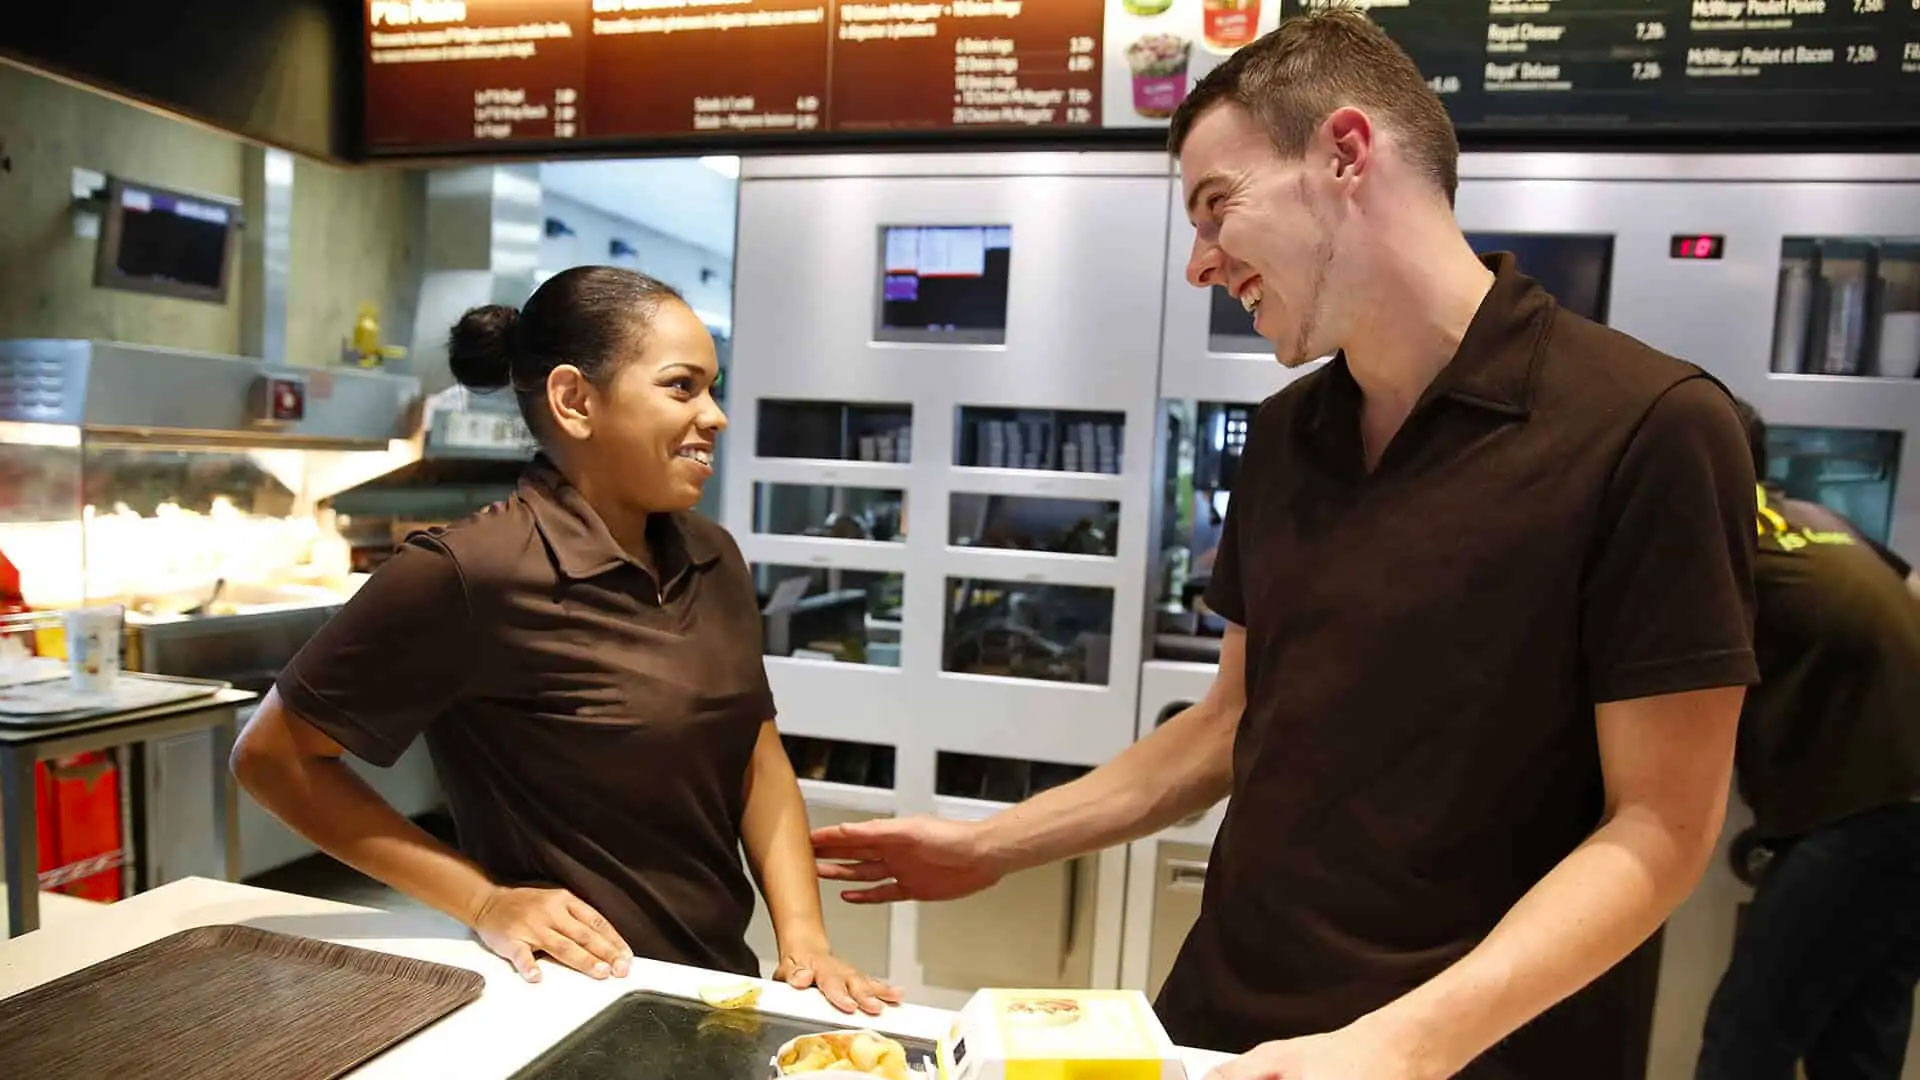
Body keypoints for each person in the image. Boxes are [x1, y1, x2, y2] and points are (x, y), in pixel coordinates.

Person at [813, 11, 1758, 1078]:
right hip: (1228, 1019)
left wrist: (1400, 1046)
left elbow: (1660, 827)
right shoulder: (1284, 433)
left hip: (1469, 1054)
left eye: (1217, 207)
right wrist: (992, 843)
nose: (1199, 266)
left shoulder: (1650, 426)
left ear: (1346, 153)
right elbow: (1232, 719)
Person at [233, 266, 897, 1014]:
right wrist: (483, 901)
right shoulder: (469, 571)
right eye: (682, 387)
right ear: (575, 400)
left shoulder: (712, 556)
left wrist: (804, 943)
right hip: (567, 1000)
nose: (714, 416)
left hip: (711, 984)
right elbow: (273, 756)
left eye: (712, 389)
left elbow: (755, 752)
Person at [1694, 401, 1920, 1080]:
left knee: (1746, 1039)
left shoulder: (1716, 543)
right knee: (1858, 1042)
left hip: (1865, 813)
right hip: (1899, 808)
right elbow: (1910, 588)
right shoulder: (1814, 519)